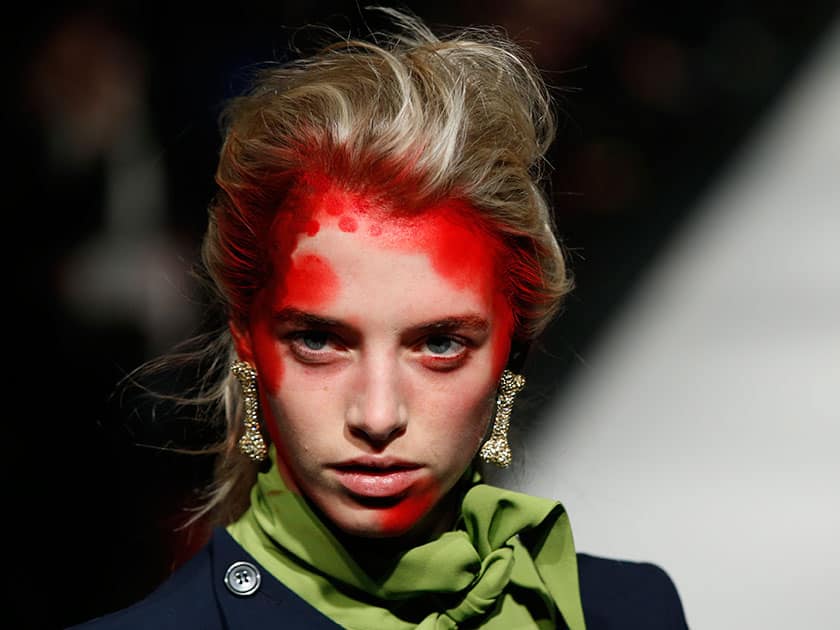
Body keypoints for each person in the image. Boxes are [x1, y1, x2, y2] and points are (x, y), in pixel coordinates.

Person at [72, 8, 688, 629]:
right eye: (319, 340)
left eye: (440, 344)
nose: (377, 416)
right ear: (248, 347)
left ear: (512, 354)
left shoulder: (633, 613)